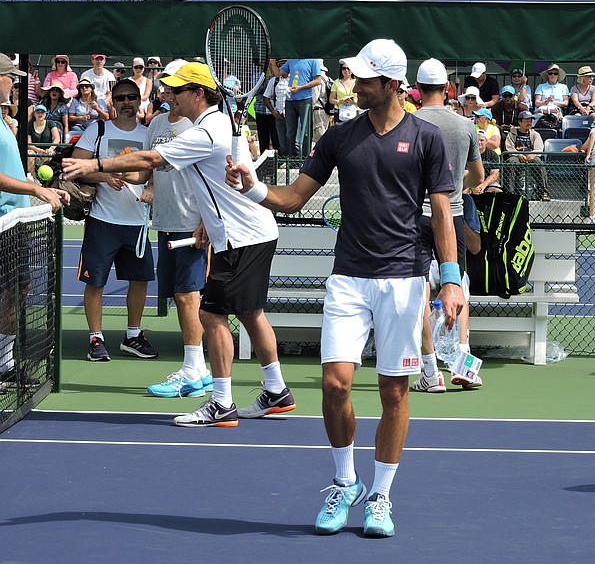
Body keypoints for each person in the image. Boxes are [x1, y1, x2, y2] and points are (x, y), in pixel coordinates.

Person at [225, 38, 464, 537]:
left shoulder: (426, 138)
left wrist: (450, 278)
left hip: (402, 280)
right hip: (348, 279)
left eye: (364, 78)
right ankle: (344, 481)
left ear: (392, 84)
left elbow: (442, 210)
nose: (353, 84)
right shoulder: (338, 135)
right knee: (335, 385)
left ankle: (380, 496)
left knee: (394, 392)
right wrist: (251, 185)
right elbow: (292, 198)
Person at [64, 61, 295, 425]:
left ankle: (221, 403)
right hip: (246, 233)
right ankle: (276, 390)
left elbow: (151, 158)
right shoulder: (213, 125)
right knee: (250, 312)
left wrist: (94, 164)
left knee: (210, 313)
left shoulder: (206, 132)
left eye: (178, 89)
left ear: (198, 94)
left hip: (241, 237)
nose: (170, 94)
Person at [65, 77, 158, 363]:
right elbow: (74, 168)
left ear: (138, 100)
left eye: (131, 97)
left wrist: (151, 187)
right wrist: (103, 175)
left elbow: (157, 168)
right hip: (103, 220)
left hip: (136, 222)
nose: (127, 102)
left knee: (139, 280)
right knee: (95, 282)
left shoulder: (149, 133)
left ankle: (133, 335)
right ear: (112, 102)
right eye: (121, 98)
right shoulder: (98, 129)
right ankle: (96, 338)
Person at [412, 57, 483, 392]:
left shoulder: (410, 123)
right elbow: (478, 176)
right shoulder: (465, 125)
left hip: (416, 215)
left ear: (417, 90)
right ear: (448, 89)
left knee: (419, 291)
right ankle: (465, 366)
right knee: (459, 286)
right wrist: (455, 184)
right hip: (452, 214)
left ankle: (430, 371)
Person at [141, 63, 212, 399]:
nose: (167, 91)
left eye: (174, 87)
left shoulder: (200, 127)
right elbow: (146, 171)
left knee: (189, 296)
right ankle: (198, 370)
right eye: (166, 86)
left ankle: (193, 370)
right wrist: (98, 176)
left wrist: (206, 221)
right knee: (180, 297)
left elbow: (214, 180)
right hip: (166, 222)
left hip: (192, 225)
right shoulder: (156, 123)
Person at [0, 54, 68, 387]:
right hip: (3, 222)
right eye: (9, 77)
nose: (14, 83)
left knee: (18, 288)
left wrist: (41, 188)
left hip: (14, 220)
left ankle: (4, 362)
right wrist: (34, 190)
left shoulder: (3, 118)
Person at [280, 58, 322, 159]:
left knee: (306, 130)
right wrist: (272, 62)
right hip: (290, 99)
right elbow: (278, 73)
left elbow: (318, 80)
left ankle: (305, 158)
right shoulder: (291, 60)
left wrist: (301, 87)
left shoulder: (313, 60)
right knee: (290, 131)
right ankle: (290, 158)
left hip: (305, 99)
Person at [503, 110, 549, 199]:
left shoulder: (535, 134)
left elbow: (539, 148)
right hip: (516, 156)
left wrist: (533, 154)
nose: (529, 123)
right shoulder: (512, 133)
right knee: (511, 162)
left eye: (530, 121)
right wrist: (518, 154)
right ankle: (510, 193)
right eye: (526, 121)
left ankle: (543, 192)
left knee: (539, 163)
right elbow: (509, 147)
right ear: (520, 122)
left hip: (531, 156)